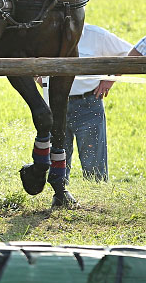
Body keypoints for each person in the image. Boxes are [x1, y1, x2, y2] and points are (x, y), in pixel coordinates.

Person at [40, 23, 132, 182]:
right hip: (54, 106)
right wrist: (37, 76)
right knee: (55, 163)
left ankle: (98, 199)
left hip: (88, 104)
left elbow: (129, 53)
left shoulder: (96, 35)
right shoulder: (45, 35)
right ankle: (59, 195)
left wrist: (109, 79)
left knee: (94, 167)